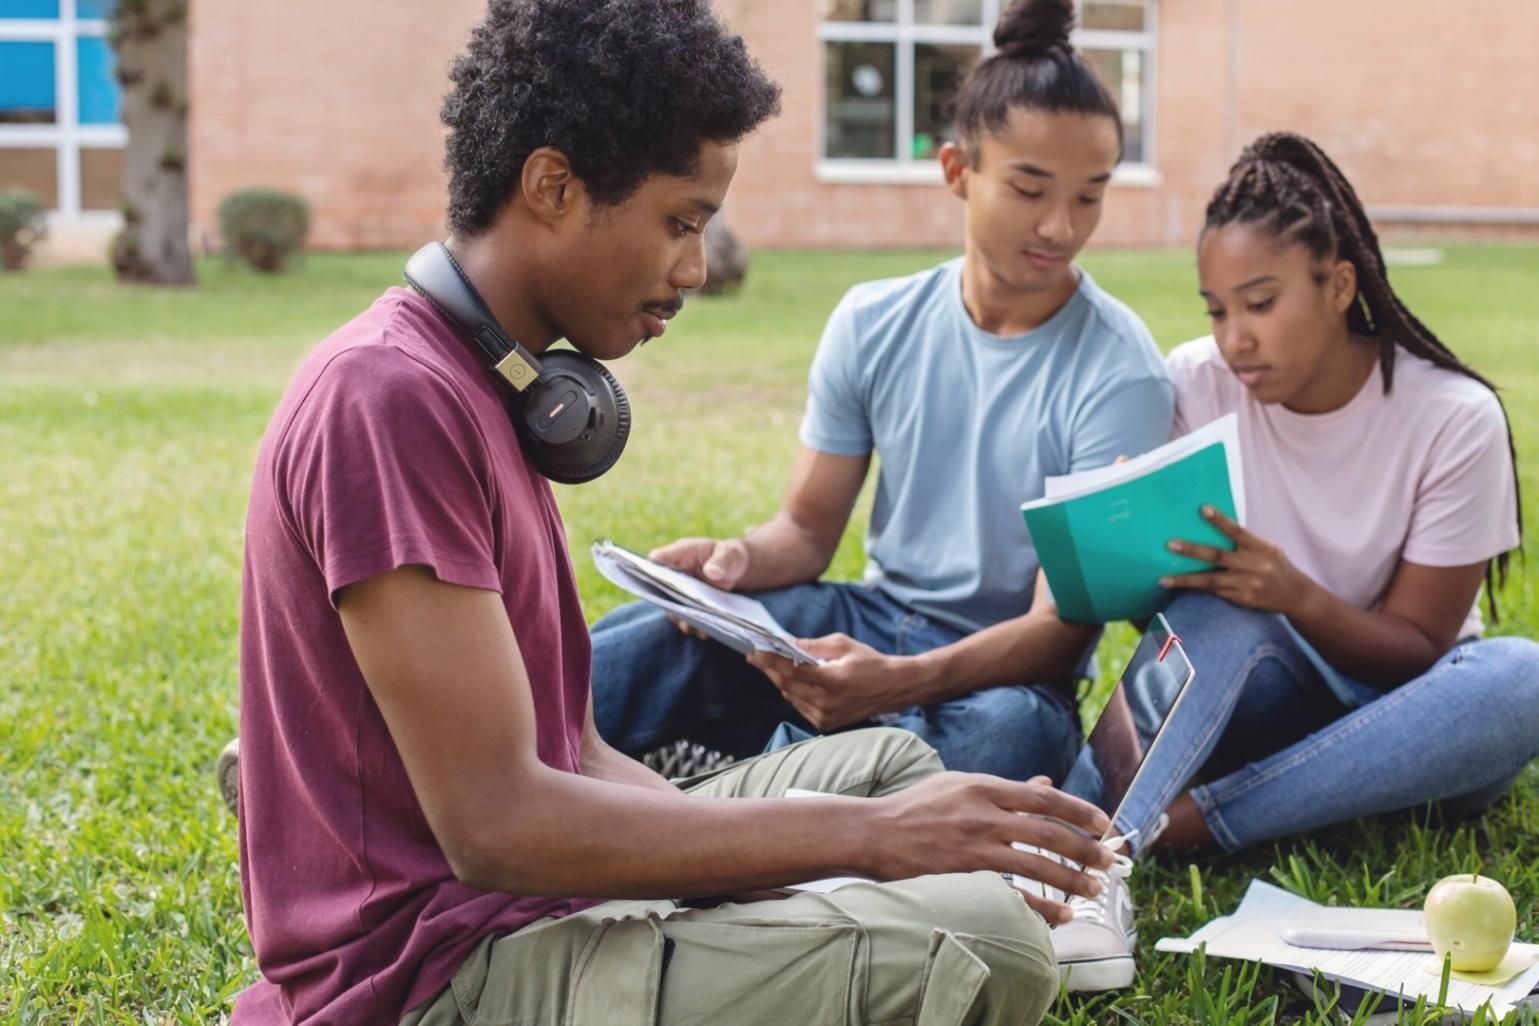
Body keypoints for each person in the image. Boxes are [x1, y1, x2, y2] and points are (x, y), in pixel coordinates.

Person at [230, 2, 1118, 1023]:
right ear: (554, 187)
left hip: (537, 886)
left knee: (895, 767)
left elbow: (580, 751)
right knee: (989, 937)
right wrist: (865, 849)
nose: (695, 268)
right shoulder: (387, 401)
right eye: (681, 222)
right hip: (443, 970)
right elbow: (496, 828)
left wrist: (817, 861)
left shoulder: (493, 384)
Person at [589, 0, 1175, 784]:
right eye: (1030, 190)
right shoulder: (874, 320)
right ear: (957, 172)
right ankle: (506, 767)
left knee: (1010, 743)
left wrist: (899, 682)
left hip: (999, 675)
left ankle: (747, 780)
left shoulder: (1120, 370)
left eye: (1089, 195)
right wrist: (732, 563)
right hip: (864, 622)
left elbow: (1058, 632)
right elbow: (803, 529)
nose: (1060, 228)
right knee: (657, 637)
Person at [1066, 130, 1539, 989]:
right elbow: (1171, 626)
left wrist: (1295, 593)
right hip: (1258, 698)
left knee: (1520, 675)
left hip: (1409, 726)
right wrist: (1134, 549)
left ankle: (1185, 824)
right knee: (1217, 612)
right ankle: (1069, 843)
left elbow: (1419, 651)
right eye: (1215, 309)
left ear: (1337, 285)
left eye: (1259, 302)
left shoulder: (1450, 417)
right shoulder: (1195, 384)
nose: (1233, 338)